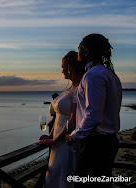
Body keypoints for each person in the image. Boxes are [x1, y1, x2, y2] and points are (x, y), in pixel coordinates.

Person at [66, 34, 122, 188]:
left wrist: (74, 136)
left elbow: (93, 115)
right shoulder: (110, 75)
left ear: (86, 51)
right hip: (107, 142)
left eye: (79, 48)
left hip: (95, 145)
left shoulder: (93, 76)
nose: (77, 52)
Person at [38, 51, 85, 188]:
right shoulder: (69, 88)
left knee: (63, 179)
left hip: (67, 141)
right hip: (57, 141)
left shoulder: (79, 89)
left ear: (70, 68)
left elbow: (72, 119)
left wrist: (54, 139)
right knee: (54, 177)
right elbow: (59, 117)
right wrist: (51, 135)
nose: (61, 70)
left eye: (62, 67)